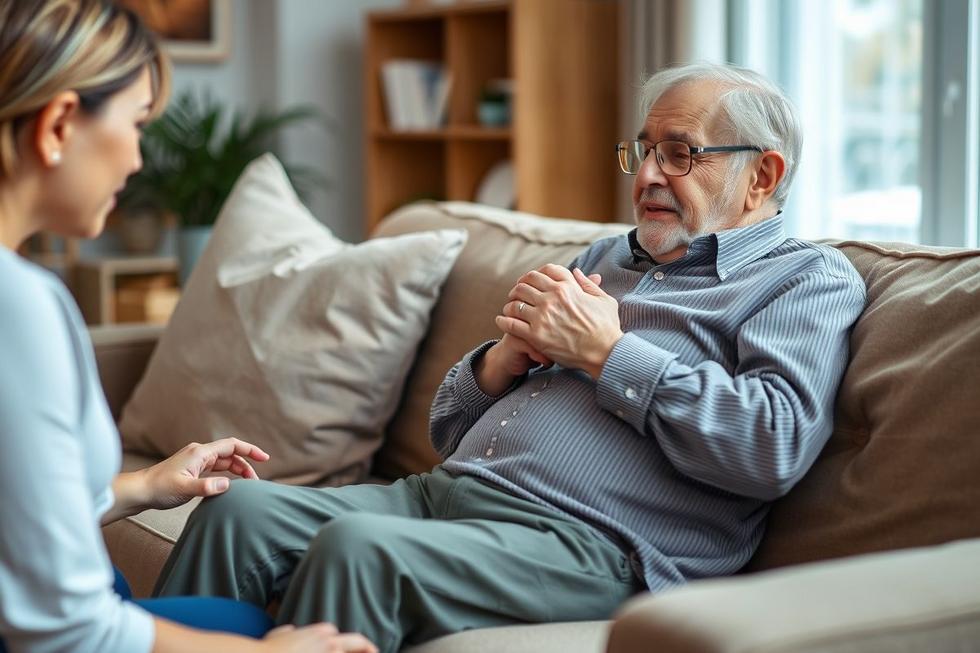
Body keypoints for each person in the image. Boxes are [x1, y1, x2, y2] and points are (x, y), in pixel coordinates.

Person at [154, 62, 867, 652]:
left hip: (594, 544)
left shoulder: (805, 280)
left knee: (357, 547)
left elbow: (770, 445)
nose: (648, 174)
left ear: (763, 176)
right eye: (642, 150)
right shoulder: (605, 257)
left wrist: (608, 352)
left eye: (679, 153)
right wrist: (500, 363)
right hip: (445, 496)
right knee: (236, 508)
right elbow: (445, 431)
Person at [0, 1, 377, 652]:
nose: (140, 161)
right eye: (137, 124)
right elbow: (67, 628)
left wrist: (146, 485)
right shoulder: (20, 306)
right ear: (60, 123)